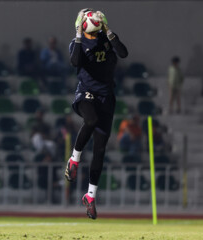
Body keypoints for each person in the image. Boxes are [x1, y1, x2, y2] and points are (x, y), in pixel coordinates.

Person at [65, 8, 128, 219]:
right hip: (86, 93)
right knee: (90, 120)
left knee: (100, 149)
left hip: (106, 96)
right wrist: (78, 34)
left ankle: (90, 196)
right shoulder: (78, 43)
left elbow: (123, 53)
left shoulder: (105, 39)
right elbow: (74, 62)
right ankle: (74, 160)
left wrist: (109, 31)